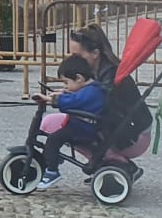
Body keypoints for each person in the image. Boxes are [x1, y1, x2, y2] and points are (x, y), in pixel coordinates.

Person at [35, 55, 108, 188]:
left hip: (83, 129)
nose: (66, 86)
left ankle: (52, 170)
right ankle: (54, 157)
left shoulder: (91, 92)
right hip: (83, 126)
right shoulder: (91, 89)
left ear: (79, 78)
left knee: (54, 139)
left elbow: (75, 101)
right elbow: (76, 96)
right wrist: (62, 93)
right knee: (56, 137)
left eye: (66, 82)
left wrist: (52, 99)